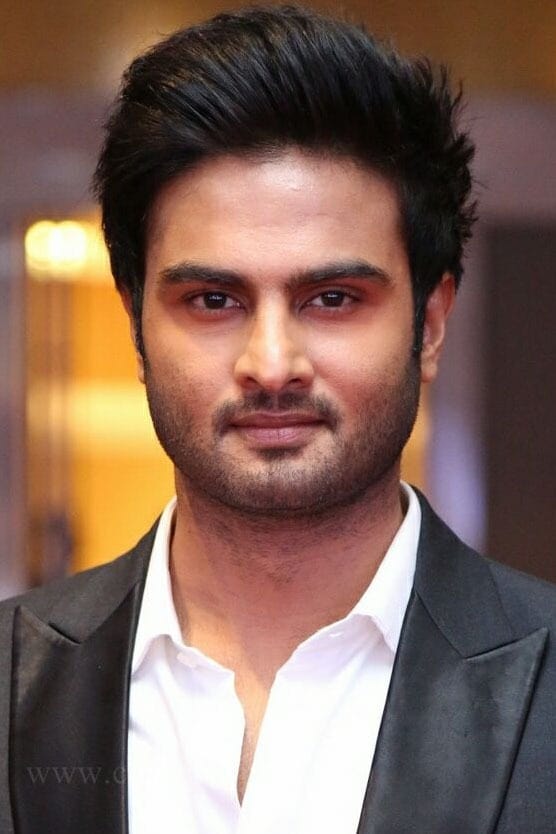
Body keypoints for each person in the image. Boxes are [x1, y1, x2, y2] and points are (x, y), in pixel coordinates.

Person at [1, 6, 555, 833]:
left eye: (331, 298)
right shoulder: (11, 679)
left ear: (431, 324)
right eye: (212, 300)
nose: (270, 363)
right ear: (136, 325)